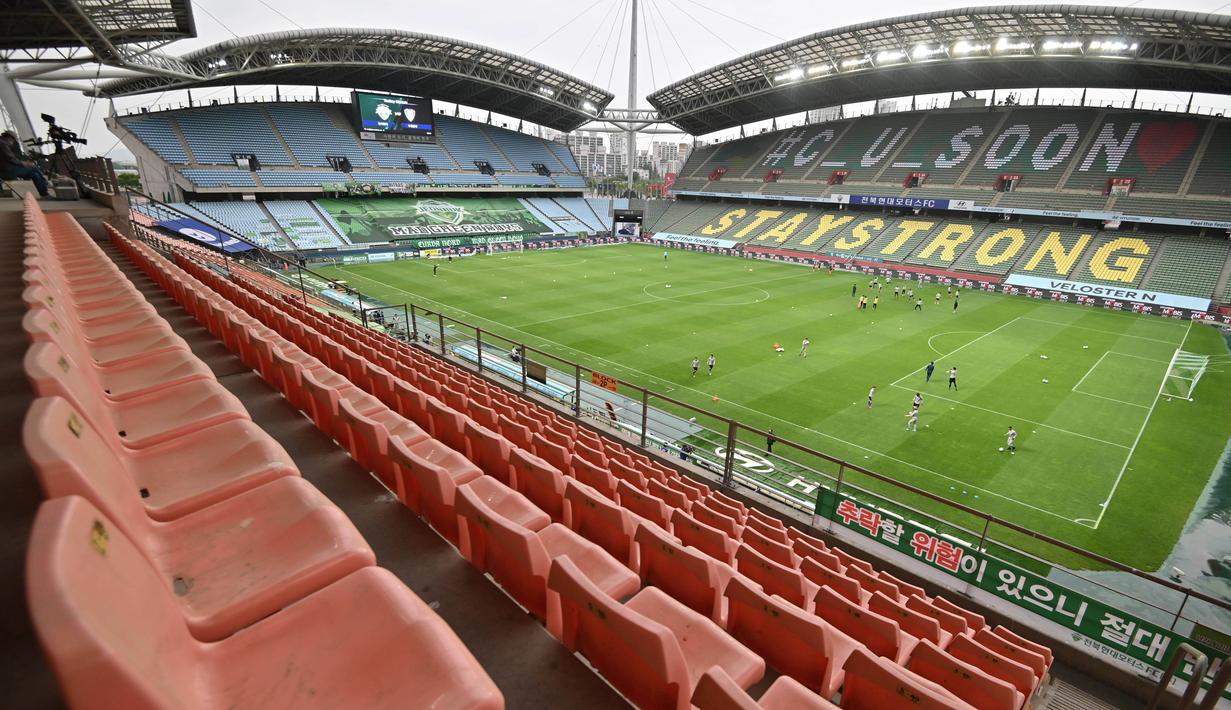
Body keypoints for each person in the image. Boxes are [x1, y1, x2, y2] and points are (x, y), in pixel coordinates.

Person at [0, 132, 50, 198]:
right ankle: (45, 183)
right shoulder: (3, 144)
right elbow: (11, 159)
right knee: (33, 167)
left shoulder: (3, 143)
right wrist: (24, 163)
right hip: (7, 171)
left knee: (35, 174)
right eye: (13, 140)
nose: (13, 142)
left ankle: (44, 193)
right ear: (9, 137)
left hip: (6, 170)